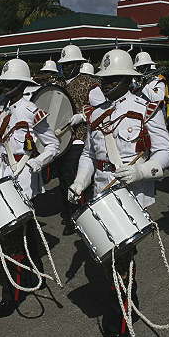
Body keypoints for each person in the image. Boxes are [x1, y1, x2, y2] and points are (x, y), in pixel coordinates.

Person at [68, 49, 169, 337]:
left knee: (119, 260)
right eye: (105, 79)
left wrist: (141, 170)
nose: (108, 84)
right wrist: (78, 182)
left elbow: (165, 153)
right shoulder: (96, 113)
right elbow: (89, 154)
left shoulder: (146, 109)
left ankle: (118, 328)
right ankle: (128, 300)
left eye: (114, 79)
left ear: (128, 79)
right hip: (102, 192)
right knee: (112, 261)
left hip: (131, 195)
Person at [0, 58, 60, 318]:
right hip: (5, 178)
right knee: (24, 231)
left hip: (25, 180)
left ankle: (13, 293)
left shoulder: (32, 111)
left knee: (10, 237)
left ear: (22, 84)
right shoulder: (1, 113)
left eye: (11, 83)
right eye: (4, 82)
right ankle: (36, 272)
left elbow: (52, 145)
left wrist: (37, 162)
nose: (6, 86)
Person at [56, 44, 98, 235]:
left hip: (81, 137)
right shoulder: (59, 85)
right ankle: (71, 214)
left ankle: (81, 215)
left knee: (76, 177)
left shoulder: (90, 83)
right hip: (62, 139)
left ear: (77, 64)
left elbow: (100, 109)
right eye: (63, 65)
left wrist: (82, 116)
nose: (65, 68)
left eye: (69, 64)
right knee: (64, 179)